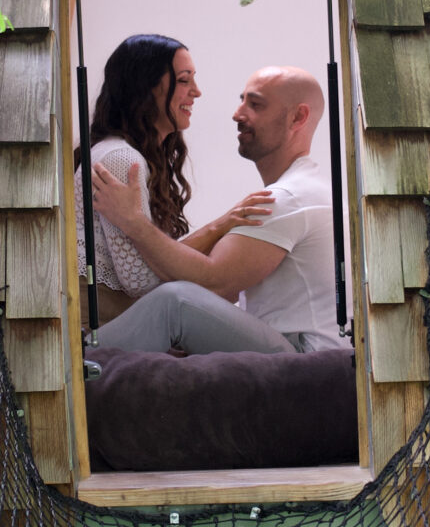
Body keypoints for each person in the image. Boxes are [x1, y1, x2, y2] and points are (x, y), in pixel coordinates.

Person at [88, 66, 349, 357]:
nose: (237, 114)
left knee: (175, 301)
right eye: (242, 101)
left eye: (255, 104)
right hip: (300, 348)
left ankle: (78, 361)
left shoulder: (289, 197)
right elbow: (220, 288)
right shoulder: (307, 188)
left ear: (298, 117)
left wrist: (133, 222)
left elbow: (212, 283)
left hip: (304, 357)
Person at [74, 34, 274, 326]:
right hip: (95, 332)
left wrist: (221, 224)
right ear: (145, 87)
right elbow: (142, 283)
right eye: (183, 80)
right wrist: (217, 235)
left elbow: (157, 260)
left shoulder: (124, 154)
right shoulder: (120, 159)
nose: (197, 92)